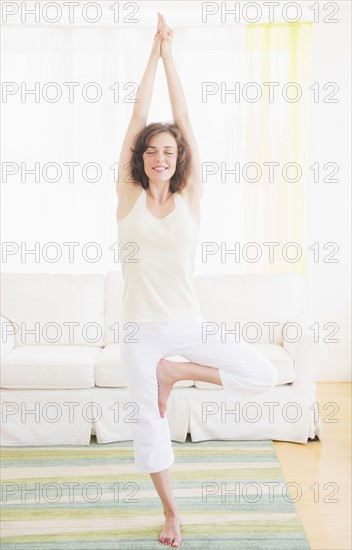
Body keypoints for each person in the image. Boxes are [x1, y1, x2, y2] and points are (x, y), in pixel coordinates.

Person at [116, 13, 278, 548]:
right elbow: (140, 114)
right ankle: (171, 512)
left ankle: (176, 372)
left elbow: (182, 116)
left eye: (169, 150)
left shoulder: (191, 199)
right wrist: (150, 56)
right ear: (140, 159)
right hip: (140, 331)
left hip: (187, 326)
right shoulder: (128, 199)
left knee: (262, 373)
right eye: (151, 150)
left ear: (178, 158)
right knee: (147, 422)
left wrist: (171, 57)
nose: (161, 156)